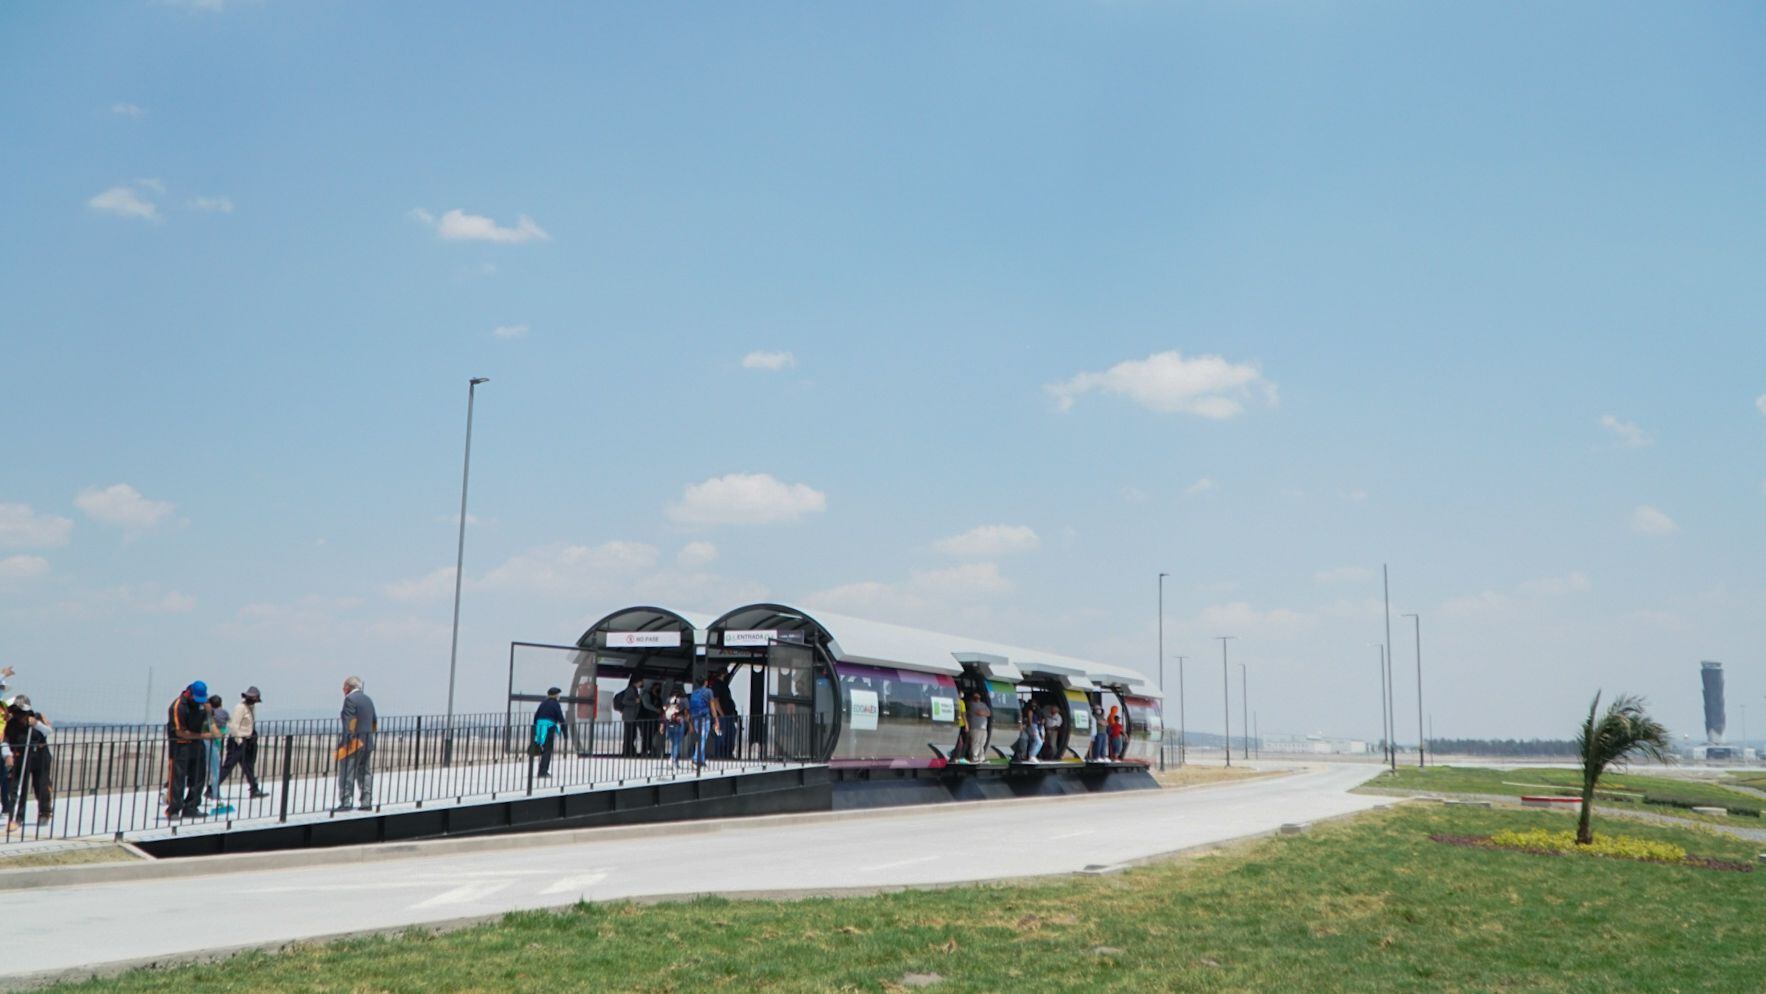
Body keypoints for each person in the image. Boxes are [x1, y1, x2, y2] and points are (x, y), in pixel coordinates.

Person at [4, 695, 53, 830]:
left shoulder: (37, 717)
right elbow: (5, 741)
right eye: (17, 713)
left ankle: (45, 812)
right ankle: (16, 818)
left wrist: (36, 724)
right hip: (21, 756)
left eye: (22, 713)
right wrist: (7, 755)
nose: (20, 716)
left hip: (40, 755)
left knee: (41, 785)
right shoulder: (11, 724)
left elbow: (48, 731)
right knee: (18, 787)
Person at [165, 681, 210, 820]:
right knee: (177, 779)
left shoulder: (202, 704)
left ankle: (191, 807)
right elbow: (180, 732)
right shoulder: (178, 706)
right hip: (181, 746)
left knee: (198, 777)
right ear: (189, 693)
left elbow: (208, 718)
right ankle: (174, 809)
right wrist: (202, 736)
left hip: (197, 746)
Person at [333, 676, 377, 812]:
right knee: (365, 772)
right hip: (368, 741)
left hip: (354, 742)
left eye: (344, 686)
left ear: (348, 687)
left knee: (347, 772)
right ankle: (366, 801)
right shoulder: (368, 699)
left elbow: (349, 722)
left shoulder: (350, 700)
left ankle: (346, 801)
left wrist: (348, 740)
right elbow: (374, 721)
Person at [217, 686, 266, 799]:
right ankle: (212, 788)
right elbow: (234, 725)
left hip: (246, 740)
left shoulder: (251, 708)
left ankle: (254, 789)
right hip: (237, 741)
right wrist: (239, 740)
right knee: (229, 766)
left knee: (248, 766)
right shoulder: (240, 708)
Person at [687, 680, 721, 772]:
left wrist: (690, 722)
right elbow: (712, 707)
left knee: (700, 738)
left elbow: (690, 708)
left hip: (695, 718)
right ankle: (695, 759)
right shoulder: (709, 691)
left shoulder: (694, 693)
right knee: (702, 739)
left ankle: (701, 760)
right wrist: (716, 720)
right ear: (705, 682)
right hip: (705, 718)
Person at [533, 686, 567, 778]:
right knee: (548, 750)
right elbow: (561, 718)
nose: (559, 696)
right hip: (549, 727)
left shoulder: (543, 703)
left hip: (540, 728)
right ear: (556, 695)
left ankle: (541, 770)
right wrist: (565, 733)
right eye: (558, 695)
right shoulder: (555, 704)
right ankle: (543, 772)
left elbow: (536, 716)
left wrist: (534, 730)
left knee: (544, 749)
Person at [204, 695, 229, 800]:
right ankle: (215, 794)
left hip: (204, 741)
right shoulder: (218, 714)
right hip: (213, 741)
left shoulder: (207, 714)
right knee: (215, 770)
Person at [711, 673, 739, 758]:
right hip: (722, 717)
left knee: (731, 734)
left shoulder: (724, 686)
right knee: (721, 736)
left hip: (729, 716)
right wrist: (721, 714)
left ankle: (728, 754)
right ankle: (719, 755)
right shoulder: (717, 685)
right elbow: (715, 701)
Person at [614, 676, 642, 758]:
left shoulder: (634, 689)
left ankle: (629, 751)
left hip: (631, 716)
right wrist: (635, 701)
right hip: (629, 716)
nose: (642, 683)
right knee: (629, 735)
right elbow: (625, 701)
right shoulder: (631, 689)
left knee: (631, 735)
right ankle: (627, 752)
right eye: (641, 681)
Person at [663, 685, 687, 770]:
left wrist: (662, 724)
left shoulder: (668, 699)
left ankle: (675, 762)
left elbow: (664, 710)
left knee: (674, 743)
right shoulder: (684, 700)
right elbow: (687, 711)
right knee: (677, 743)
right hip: (679, 722)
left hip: (669, 722)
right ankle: (672, 759)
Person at [637, 679, 662, 757]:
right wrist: (656, 710)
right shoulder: (647, 695)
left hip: (654, 720)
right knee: (645, 735)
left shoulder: (658, 698)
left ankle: (650, 750)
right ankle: (646, 751)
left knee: (650, 735)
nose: (658, 689)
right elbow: (646, 705)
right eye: (657, 687)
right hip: (644, 719)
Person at [968, 692, 991, 763]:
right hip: (975, 727)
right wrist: (984, 713)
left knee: (982, 743)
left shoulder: (983, 704)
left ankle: (981, 758)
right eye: (975, 695)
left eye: (978, 695)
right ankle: (974, 756)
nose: (977, 697)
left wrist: (983, 713)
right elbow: (978, 712)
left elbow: (989, 713)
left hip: (984, 728)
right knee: (976, 742)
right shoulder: (971, 704)